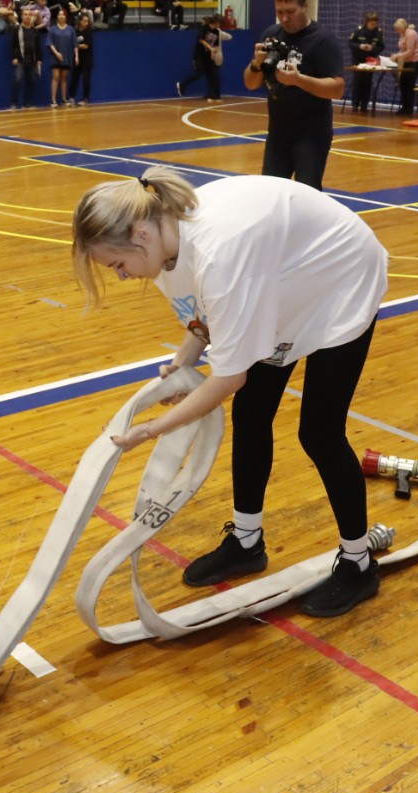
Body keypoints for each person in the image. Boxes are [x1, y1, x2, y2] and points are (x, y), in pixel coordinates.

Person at [71, 167, 389, 620]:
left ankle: (358, 564)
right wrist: (182, 363)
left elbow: (228, 378)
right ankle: (246, 541)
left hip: (339, 276)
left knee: (320, 432)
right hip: (281, 277)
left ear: (139, 235)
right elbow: (205, 314)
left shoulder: (218, 254)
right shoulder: (163, 243)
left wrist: (151, 430)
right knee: (253, 412)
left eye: (117, 265)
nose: (121, 276)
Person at [243, 0, 345, 190]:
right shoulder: (270, 35)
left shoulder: (322, 40)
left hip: (312, 135)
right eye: (279, 12)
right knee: (271, 191)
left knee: (307, 193)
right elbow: (250, 83)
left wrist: (299, 80)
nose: (284, 18)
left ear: (305, 7)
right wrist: (256, 64)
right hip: (277, 133)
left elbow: (337, 89)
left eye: (290, 11)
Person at [176, 15, 224, 103]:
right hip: (199, 55)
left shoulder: (217, 31)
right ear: (215, 22)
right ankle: (182, 84)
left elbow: (214, 45)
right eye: (218, 23)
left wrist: (213, 54)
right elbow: (201, 40)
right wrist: (210, 48)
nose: (219, 25)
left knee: (214, 74)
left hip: (208, 56)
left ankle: (214, 94)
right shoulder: (204, 27)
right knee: (199, 73)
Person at [347, 12, 385, 113]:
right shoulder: (358, 31)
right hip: (358, 60)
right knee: (358, 81)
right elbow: (350, 43)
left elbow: (381, 47)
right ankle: (355, 105)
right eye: (371, 24)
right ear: (367, 22)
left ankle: (364, 105)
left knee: (367, 83)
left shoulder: (379, 33)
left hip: (370, 61)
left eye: (375, 24)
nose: (373, 26)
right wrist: (360, 46)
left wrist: (373, 48)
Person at [10, 7, 43, 108]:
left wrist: (39, 59)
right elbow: (12, 45)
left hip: (32, 60)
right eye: (25, 14)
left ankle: (28, 103)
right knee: (18, 79)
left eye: (29, 15)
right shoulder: (17, 29)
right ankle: (13, 102)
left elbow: (38, 46)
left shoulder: (35, 31)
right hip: (20, 59)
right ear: (21, 16)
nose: (28, 16)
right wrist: (14, 57)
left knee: (32, 80)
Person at [391, 18, 418, 116]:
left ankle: (409, 108)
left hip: (416, 60)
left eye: (398, 29)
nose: (396, 31)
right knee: (402, 82)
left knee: (410, 83)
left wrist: (397, 56)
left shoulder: (411, 34)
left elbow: (410, 52)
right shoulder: (402, 34)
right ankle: (404, 106)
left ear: (402, 27)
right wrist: (396, 55)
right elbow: (403, 50)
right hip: (408, 61)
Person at [47, 9, 78, 107]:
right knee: (56, 76)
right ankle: (53, 99)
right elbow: (49, 43)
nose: (61, 16)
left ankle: (64, 99)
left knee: (64, 78)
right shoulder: (52, 29)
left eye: (63, 15)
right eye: (59, 14)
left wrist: (76, 56)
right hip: (55, 56)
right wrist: (56, 53)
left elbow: (75, 44)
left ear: (66, 17)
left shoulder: (71, 29)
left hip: (67, 56)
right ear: (57, 17)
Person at [68, 13, 95, 105]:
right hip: (77, 58)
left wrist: (76, 46)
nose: (86, 23)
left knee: (86, 79)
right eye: (84, 21)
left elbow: (86, 46)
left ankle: (85, 98)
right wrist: (75, 47)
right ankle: (71, 97)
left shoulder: (88, 32)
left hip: (87, 59)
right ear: (79, 21)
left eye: (87, 21)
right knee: (74, 78)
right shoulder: (75, 31)